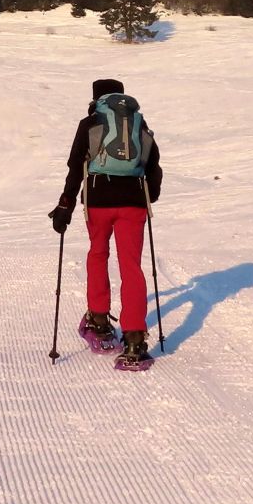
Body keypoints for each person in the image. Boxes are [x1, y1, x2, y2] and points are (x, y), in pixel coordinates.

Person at [49, 77, 163, 368]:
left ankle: (99, 321)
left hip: (99, 200)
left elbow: (76, 166)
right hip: (134, 202)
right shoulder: (138, 123)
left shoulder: (90, 123)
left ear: (96, 99)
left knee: (98, 254)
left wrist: (65, 204)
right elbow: (153, 166)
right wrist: (148, 194)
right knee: (131, 266)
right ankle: (135, 339)